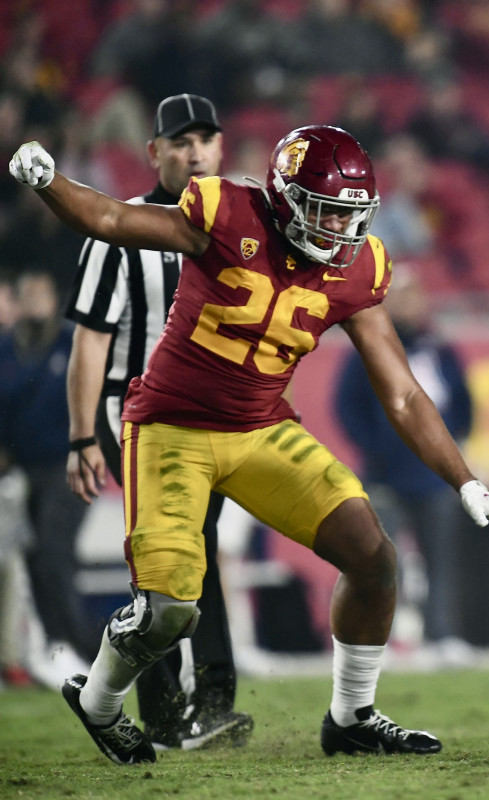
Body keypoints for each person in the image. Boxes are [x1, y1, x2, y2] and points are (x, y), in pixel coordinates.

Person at [9, 124, 489, 766]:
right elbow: (113, 218)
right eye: (326, 211)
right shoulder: (226, 213)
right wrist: (50, 182)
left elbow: (403, 393)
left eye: (351, 215)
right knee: (171, 612)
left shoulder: (359, 264)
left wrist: (466, 480)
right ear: (285, 198)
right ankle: (98, 701)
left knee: (372, 556)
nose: (340, 229)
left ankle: (352, 716)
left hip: (260, 430)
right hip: (171, 427)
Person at [63, 93, 254, 751]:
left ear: (222, 148)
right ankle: (182, 705)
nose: (195, 152)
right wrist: (83, 433)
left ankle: (196, 703)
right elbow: (90, 338)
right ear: (156, 153)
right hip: (136, 414)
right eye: (180, 142)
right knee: (176, 554)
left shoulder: (239, 224)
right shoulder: (121, 227)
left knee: (195, 556)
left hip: (215, 416)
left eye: (205, 139)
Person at [334, 267, 474, 659]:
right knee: (382, 560)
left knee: (440, 560)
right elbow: (347, 408)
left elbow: (463, 404)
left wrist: (451, 449)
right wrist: (375, 448)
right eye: (401, 297)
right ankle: (387, 637)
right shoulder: (368, 346)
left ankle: (441, 635)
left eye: (414, 296)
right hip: (385, 474)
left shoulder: (440, 348)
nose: (409, 304)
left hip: (434, 476)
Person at [0, 271, 95, 684]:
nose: (37, 300)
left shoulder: (73, 341)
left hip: (67, 465)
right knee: (32, 562)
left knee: (55, 556)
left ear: (56, 298)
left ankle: (78, 651)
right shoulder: (7, 348)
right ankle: (53, 650)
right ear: (18, 301)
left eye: (43, 292)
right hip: (19, 470)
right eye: (30, 293)